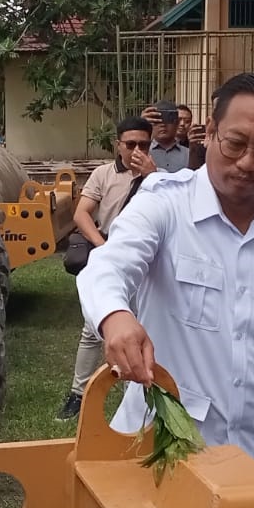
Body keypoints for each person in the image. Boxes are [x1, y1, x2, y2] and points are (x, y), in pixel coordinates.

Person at [78, 72, 254, 508]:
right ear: (210, 133)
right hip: (164, 450)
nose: (248, 163)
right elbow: (108, 266)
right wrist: (115, 315)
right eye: (235, 143)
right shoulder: (164, 203)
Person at [57, 117, 152, 420]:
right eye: (131, 144)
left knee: (138, 328)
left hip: (144, 260)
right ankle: (77, 392)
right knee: (92, 329)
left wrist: (151, 177)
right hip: (110, 253)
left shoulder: (158, 178)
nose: (137, 150)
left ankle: (135, 397)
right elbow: (82, 213)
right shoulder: (103, 174)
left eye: (144, 144)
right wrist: (103, 246)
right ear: (118, 145)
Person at [144, 101, 191, 172]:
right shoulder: (143, 152)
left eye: (168, 119)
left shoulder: (189, 154)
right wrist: (141, 125)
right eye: (157, 120)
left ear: (176, 123)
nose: (163, 124)